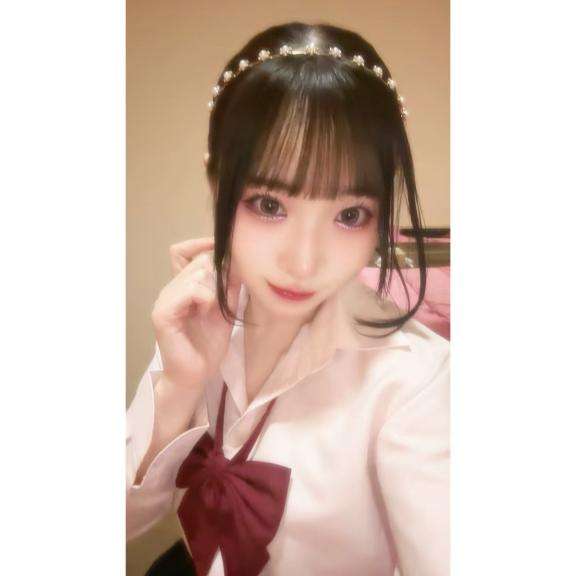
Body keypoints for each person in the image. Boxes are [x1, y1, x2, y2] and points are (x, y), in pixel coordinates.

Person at [126, 21, 449, 576]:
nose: (303, 262)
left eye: (350, 215)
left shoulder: (415, 380)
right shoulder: (197, 316)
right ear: (216, 184)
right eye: (269, 204)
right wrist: (178, 384)